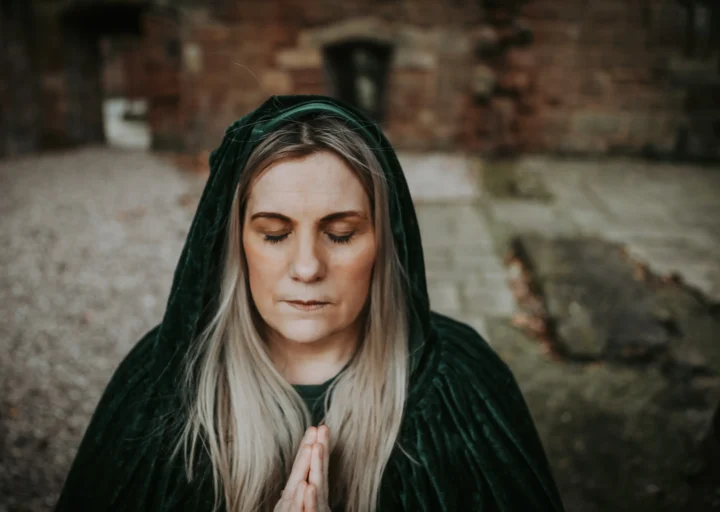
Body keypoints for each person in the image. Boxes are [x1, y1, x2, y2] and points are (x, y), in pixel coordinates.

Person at [55, 95, 564, 512]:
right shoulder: (158, 391)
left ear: (384, 243)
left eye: (340, 234)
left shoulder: (463, 388)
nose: (306, 267)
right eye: (274, 234)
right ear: (234, 243)